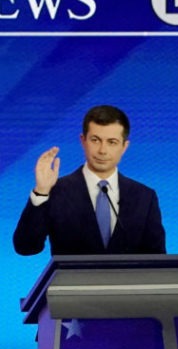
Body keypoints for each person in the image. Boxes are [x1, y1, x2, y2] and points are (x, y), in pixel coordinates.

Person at [13, 105, 165, 256]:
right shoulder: (56, 191)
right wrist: (41, 192)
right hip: (71, 281)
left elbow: (157, 261)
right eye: (95, 140)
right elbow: (26, 247)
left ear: (124, 146)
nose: (102, 150)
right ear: (83, 140)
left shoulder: (144, 197)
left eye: (112, 142)